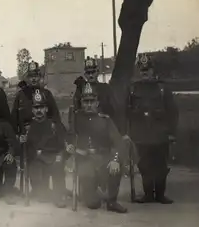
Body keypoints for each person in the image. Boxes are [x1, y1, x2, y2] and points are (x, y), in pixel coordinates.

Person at [123, 54, 178, 204]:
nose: (144, 72)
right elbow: (127, 112)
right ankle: (148, 194)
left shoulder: (162, 88)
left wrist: (172, 133)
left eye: (147, 69)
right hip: (141, 134)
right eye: (142, 70)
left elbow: (172, 112)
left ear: (153, 70)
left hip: (160, 133)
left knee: (160, 165)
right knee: (144, 165)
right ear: (138, 71)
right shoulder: (133, 89)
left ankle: (160, 195)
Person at [66, 82, 127, 213]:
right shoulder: (77, 118)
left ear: (97, 103)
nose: (88, 105)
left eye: (91, 101)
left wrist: (115, 159)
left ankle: (112, 201)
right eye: (85, 101)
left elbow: (118, 142)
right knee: (93, 204)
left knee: (116, 166)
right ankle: (90, 191)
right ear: (81, 103)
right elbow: (70, 135)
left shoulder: (105, 120)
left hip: (103, 158)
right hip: (85, 160)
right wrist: (71, 145)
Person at [20, 89, 68, 207]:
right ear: (32, 110)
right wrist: (22, 142)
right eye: (36, 108)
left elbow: (63, 144)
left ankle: (58, 196)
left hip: (51, 158)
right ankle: (43, 191)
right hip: (36, 159)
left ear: (46, 109)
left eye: (41, 108)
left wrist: (60, 156)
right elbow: (24, 150)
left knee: (57, 166)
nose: (39, 111)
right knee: (41, 196)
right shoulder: (28, 128)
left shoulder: (54, 125)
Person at [72, 57, 119, 130]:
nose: (91, 75)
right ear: (85, 74)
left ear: (97, 72)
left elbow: (114, 108)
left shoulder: (105, 88)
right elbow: (76, 110)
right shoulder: (81, 89)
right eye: (88, 73)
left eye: (93, 72)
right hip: (86, 126)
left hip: (103, 126)